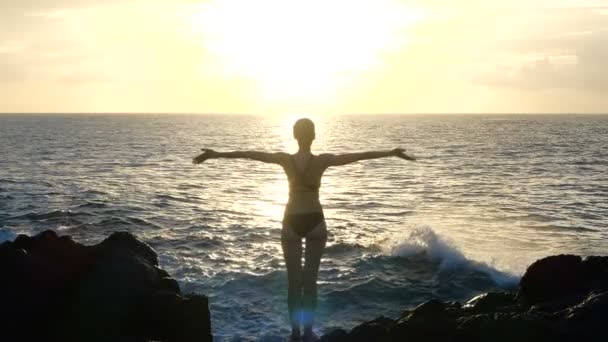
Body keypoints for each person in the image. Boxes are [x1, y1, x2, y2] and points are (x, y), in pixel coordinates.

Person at [192, 118, 416, 342]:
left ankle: (295, 333)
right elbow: (356, 156)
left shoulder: (285, 160)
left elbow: (251, 154)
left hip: (291, 222)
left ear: (294, 136)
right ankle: (308, 332)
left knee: (293, 283)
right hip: (316, 222)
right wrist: (390, 152)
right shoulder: (322, 161)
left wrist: (217, 154)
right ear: (314, 136)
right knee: (310, 283)